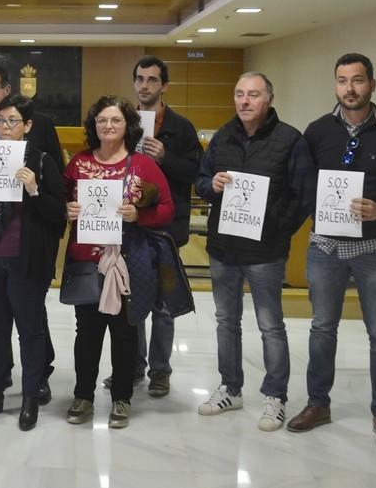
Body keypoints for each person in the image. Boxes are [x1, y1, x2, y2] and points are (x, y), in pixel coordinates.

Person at [288, 53, 376, 450]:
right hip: (325, 248)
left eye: (358, 80)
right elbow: (299, 182)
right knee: (321, 329)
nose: (350, 88)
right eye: (342, 80)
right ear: (335, 85)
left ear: (372, 84)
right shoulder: (316, 132)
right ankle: (318, 404)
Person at [195, 72, 315, 431]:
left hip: (265, 251)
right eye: (239, 94)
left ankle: (275, 397)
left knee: (270, 325)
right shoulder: (222, 136)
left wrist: (278, 231)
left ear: (269, 99)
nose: (244, 101)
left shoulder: (290, 139)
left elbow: (304, 194)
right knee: (226, 321)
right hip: (223, 248)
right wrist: (210, 185)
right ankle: (230, 388)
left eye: (253, 95)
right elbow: (200, 182)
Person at [63, 95, 174, 429]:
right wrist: (65, 210)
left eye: (115, 120)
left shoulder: (142, 165)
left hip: (128, 262)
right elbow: (60, 200)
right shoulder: (78, 163)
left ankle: (122, 398)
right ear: (93, 126)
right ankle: (83, 394)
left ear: (128, 126)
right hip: (85, 262)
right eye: (101, 120)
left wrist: (139, 214)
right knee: (87, 334)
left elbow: (167, 208)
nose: (107, 126)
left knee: (125, 333)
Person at [0, 62, 65, 401]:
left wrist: (35, 188)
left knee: (31, 323)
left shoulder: (41, 142)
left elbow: (56, 198)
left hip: (26, 249)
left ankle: (35, 384)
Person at [107, 55, 202, 397]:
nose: (145, 85)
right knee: (132, 302)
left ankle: (161, 371)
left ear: (164, 86)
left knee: (163, 305)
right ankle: (133, 366)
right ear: (134, 83)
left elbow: (194, 175)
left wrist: (165, 159)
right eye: (140, 79)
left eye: (152, 79)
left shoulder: (182, 127)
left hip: (164, 232)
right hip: (129, 229)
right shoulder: (120, 122)